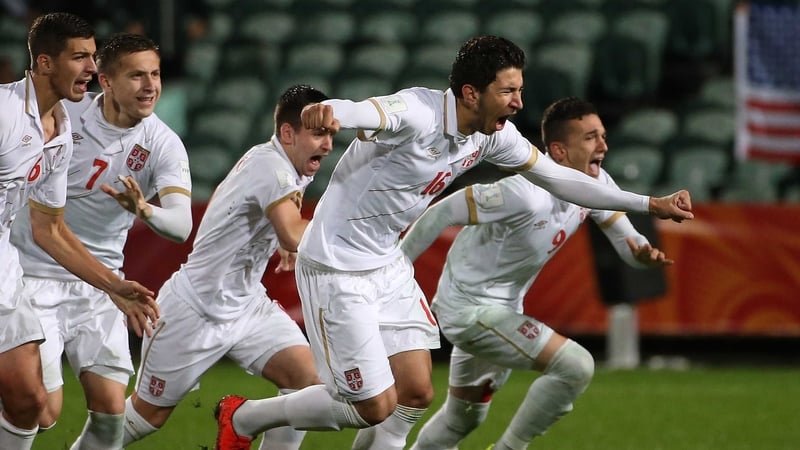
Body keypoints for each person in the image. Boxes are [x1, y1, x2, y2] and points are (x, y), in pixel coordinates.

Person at [214, 35, 692, 450]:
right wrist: (329, 111)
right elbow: (363, 111)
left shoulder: (493, 137)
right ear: (470, 93)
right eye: (508, 91)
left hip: (385, 265)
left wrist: (649, 204)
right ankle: (244, 417)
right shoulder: (417, 112)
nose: (518, 103)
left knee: (416, 393)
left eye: (519, 90)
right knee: (371, 407)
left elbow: (560, 179)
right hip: (336, 267)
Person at [403, 97, 674, 450]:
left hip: (501, 313)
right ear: (559, 151)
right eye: (590, 137)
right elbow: (441, 213)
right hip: (468, 311)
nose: (603, 146)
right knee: (576, 366)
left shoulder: (595, 183)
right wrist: (397, 268)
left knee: (464, 418)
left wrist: (642, 254)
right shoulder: (524, 192)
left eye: (603, 136)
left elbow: (628, 241)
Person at [123, 85, 333, 450]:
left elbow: (247, 206)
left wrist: (283, 241)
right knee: (145, 418)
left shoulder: (284, 161)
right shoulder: (272, 167)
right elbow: (293, 231)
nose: (328, 145)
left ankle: (241, 419)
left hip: (247, 306)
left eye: (331, 134)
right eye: (319, 133)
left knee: (309, 386)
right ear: (288, 133)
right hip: (195, 308)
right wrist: (329, 232)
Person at [9, 32, 192, 449]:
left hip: (102, 286)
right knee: (42, 411)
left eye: (155, 75)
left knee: (111, 414)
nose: (150, 86)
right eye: (137, 76)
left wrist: (144, 209)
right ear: (106, 81)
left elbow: (181, 226)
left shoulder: (163, 144)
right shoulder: (64, 114)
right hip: (31, 275)